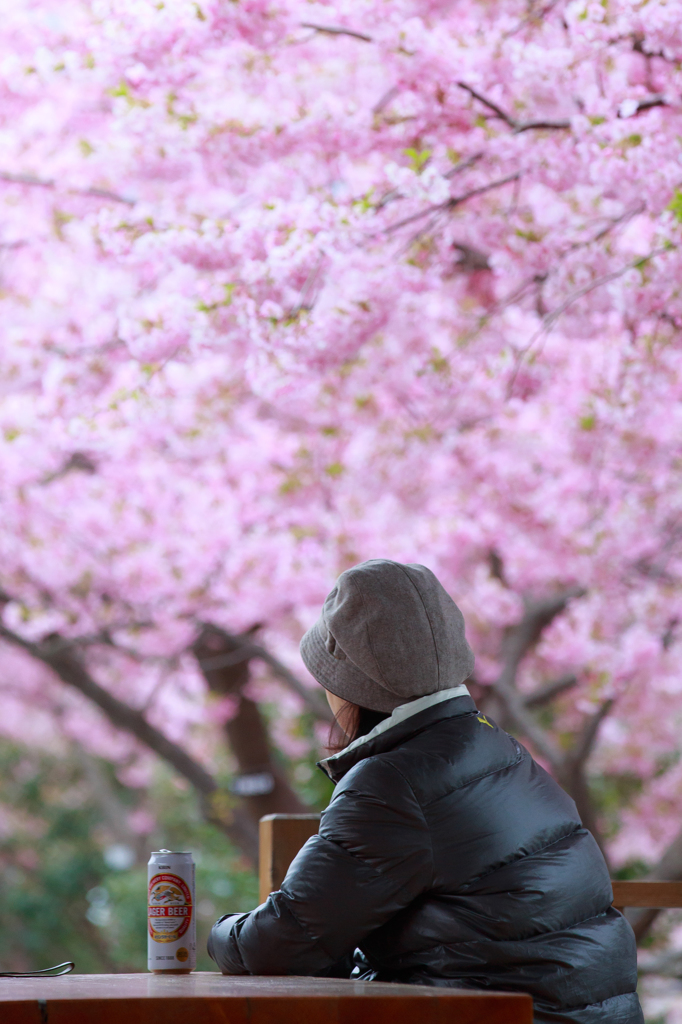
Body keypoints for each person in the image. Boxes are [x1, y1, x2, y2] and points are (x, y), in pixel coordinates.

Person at [208, 559, 642, 1023]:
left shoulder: (391, 782)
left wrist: (219, 932)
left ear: (351, 686)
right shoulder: (500, 749)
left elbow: (279, 942)